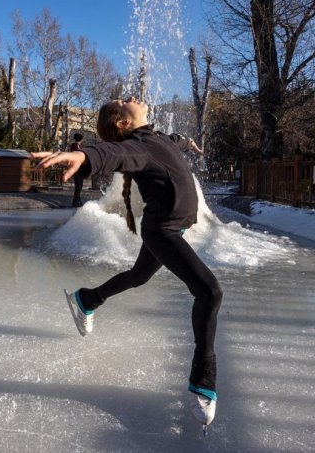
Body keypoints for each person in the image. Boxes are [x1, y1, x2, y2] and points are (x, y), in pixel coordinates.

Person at [32, 97, 221, 427]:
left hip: (171, 226)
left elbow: (170, 142)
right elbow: (114, 154)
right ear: (122, 124)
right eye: (122, 102)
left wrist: (185, 143)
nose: (130, 97)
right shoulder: (136, 147)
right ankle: (202, 383)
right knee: (209, 292)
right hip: (162, 231)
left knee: (138, 276)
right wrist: (84, 155)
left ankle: (87, 298)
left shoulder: (157, 138)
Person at [69, 133, 85, 207]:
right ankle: (76, 201)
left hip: (76, 167)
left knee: (79, 185)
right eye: (82, 139)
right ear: (80, 139)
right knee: (79, 185)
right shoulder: (76, 146)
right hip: (77, 167)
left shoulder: (75, 145)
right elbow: (78, 155)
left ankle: (77, 200)